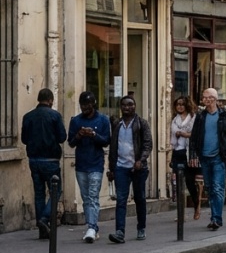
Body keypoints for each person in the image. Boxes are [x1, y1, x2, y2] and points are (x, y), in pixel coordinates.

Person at [189, 88, 226, 231]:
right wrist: (193, 155)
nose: (205, 100)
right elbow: (194, 137)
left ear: (214, 99)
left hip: (219, 156)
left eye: (207, 97)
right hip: (204, 157)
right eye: (204, 98)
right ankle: (213, 217)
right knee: (210, 188)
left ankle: (217, 219)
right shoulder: (200, 116)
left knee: (218, 188)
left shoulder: (224, 116)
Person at [20, 88, 66, 239]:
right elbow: (62, 137)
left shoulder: (28, 116)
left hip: (34, 159)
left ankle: (42, 229)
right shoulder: (55, 116)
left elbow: (24, 140)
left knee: (39, 194)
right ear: (51, 100)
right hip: (51, 160)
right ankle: (44, 219)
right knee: (55, 191)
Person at [107, 95, 152, 243]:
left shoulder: (141, 123)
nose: (127, 107)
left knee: (140, 198)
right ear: (121, 107)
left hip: (138, 167)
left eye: (130, 104)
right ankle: (120, 231)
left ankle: (141, 228)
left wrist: (141, 160)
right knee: (121, 200)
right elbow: (113, 147)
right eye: (124, 105)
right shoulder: (117, 124)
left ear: (135, 106)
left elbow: (147, 144)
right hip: (121, 167)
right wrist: (111, 168)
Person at [68, 91, 111, 243]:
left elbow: (106, 141)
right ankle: (91, 227)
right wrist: (79, 135)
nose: (84, 108)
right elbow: (71, 142)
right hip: (81, 163)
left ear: (93, 104)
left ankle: (92, 227)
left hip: (96, 163)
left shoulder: (103, 120)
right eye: (82, 105)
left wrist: (93, 135)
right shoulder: (75, 121)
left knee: (93, 196)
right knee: (86, 197)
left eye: (87, 105)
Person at [170, 96, 198, 216]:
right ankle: (180, 212)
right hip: (177, 152)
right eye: (177, 104)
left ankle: (197, 205)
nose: (180, 107)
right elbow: (175, 133)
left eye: (182, 104)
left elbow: (194, 134)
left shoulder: (193, 118)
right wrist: (184, 133)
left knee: (190, 182)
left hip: (189, 153)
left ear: (187, 105)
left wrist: (184, 134)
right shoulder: (174, 120)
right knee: (177, 183)